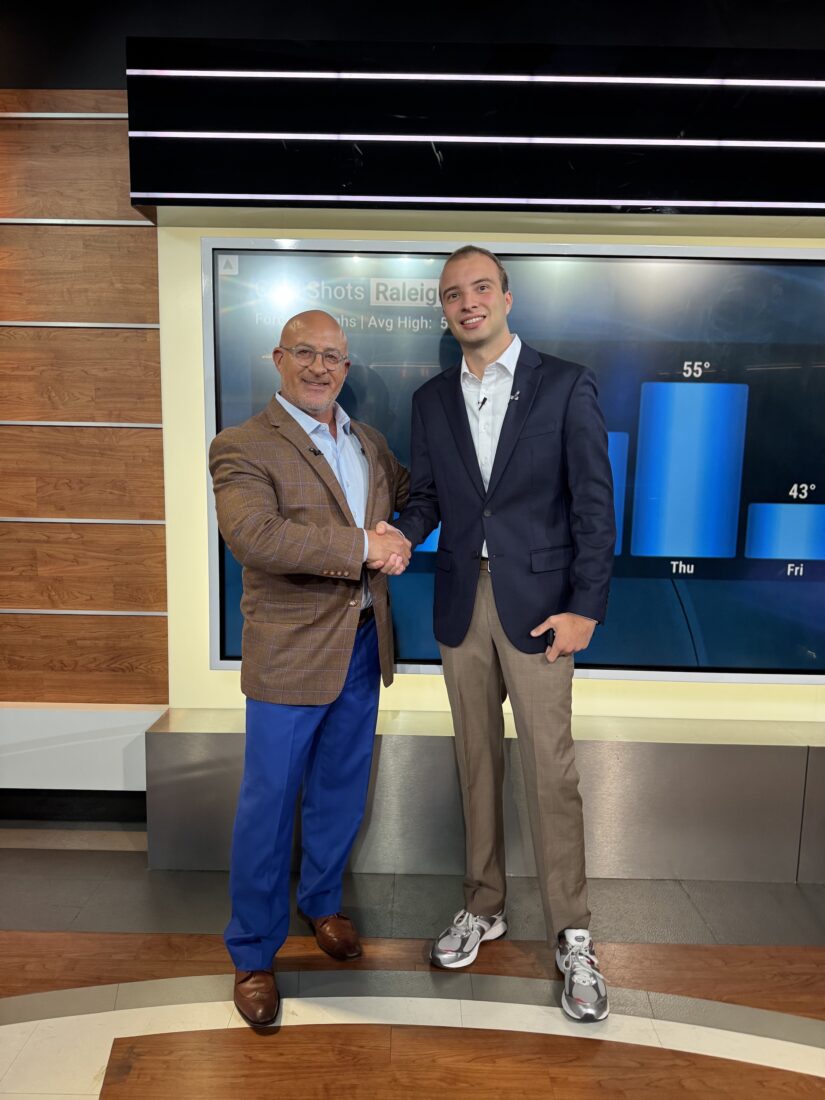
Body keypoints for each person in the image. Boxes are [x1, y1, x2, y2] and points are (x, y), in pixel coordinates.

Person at [391, 246, 616, 1022]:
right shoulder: (429, 399)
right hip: (461, 602)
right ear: (444, 309)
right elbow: (427, 498)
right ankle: (482, 904)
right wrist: (395, 534)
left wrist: (586, 606)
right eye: (452, 293)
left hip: (540, 605)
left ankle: (572, 932)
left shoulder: (563, 383)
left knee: (550, 773)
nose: (467, 302)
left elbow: (592, 500)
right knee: (475, 762)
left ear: (507, 298)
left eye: (480, 288)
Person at [209, 309, 410, 1027]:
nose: (321, 367)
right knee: (267, 809)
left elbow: (408, 505)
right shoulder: (241, 445)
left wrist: (400, 538)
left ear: (347, 368)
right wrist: (364, 544)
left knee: (338, 793)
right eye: (306, 353)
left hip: (361, 646)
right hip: (290, 656)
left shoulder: (369, 442)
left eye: (333, 356)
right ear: (278, 358)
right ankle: (253, 953)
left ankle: (321, 904)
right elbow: (255, 537)